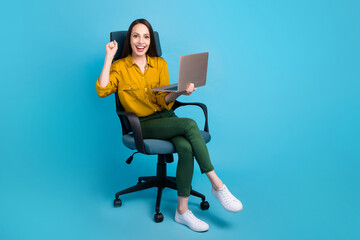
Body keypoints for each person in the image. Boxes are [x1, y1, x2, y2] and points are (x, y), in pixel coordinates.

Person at [96, 19, 243, 232]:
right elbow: (102, 90)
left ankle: (182, 212)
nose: (141, 41)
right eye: (136, 36)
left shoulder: (160, 64)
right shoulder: (119, 66)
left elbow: (163, 100)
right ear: (129, 39)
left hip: (164, 117)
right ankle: (217, 184)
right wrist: (109, 56)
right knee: (191, 124)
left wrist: (181, 91)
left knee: (185, 146)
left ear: (151, 41)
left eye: (146, 37)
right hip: (142, 124)